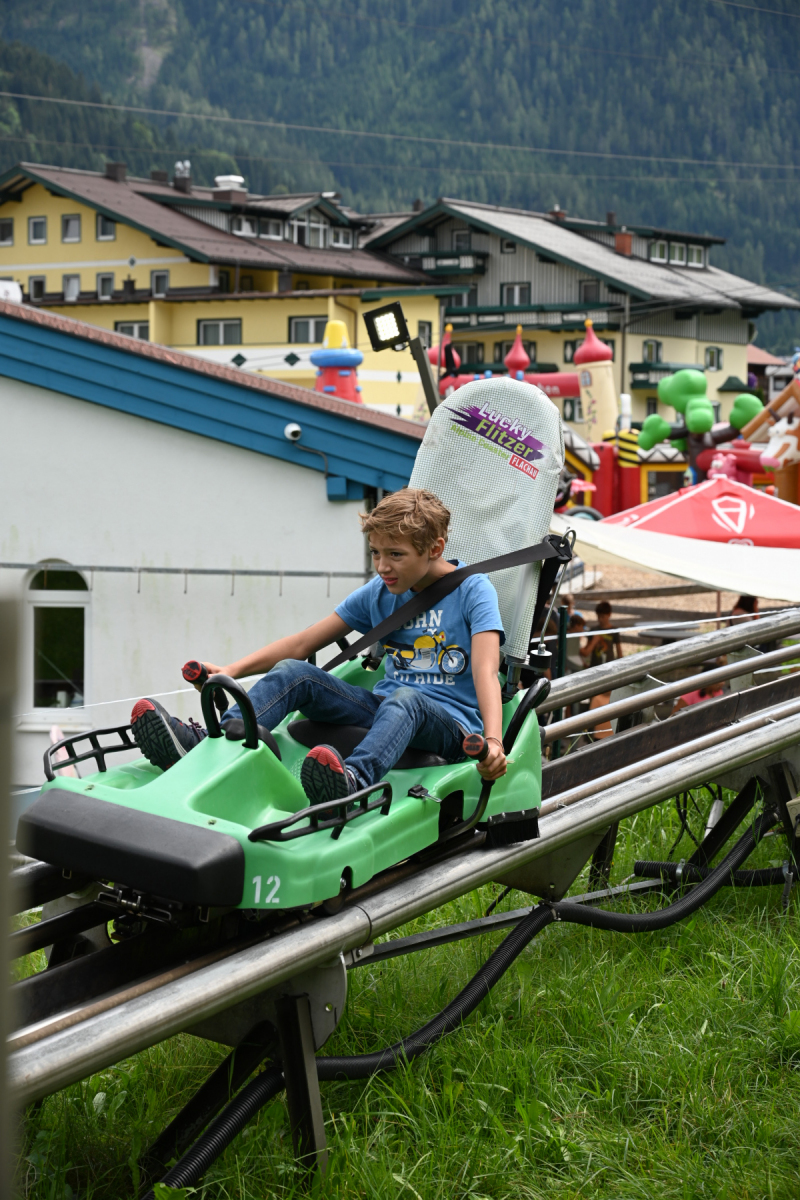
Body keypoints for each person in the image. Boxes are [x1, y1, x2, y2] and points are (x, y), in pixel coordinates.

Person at [129, 489, 507, 805]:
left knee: (405, 698)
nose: (382, 566)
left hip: (450, 726)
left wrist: (493, 742)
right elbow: (302, 643)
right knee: (296, 673)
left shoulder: (473, 590)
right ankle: (216, 743)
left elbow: (485, 671)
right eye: (375, 552)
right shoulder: (379, 593)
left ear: (435, 548)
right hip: (383, 709)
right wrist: (231, 670)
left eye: (395, 554)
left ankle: (352, 782)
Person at [580, 601, 623, 740]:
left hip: (610, 671)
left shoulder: (614, 631)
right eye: (598, 616)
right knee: (594, 701)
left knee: (608, 700)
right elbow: (586, 651)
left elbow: (619, 652)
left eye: (603, 616)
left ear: (609, 615)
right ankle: (590, 733)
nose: (600, 619)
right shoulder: (593, 631)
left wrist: (621, 668)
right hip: (595, 672)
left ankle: (608, 731)